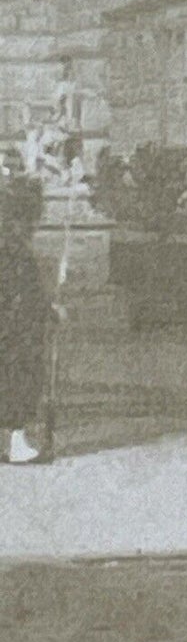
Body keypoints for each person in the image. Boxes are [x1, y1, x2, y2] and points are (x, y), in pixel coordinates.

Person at [0, 175, 49, 464]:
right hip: (14, 327)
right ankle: (17, 443)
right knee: (19, 374)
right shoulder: (14, 248)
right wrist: (49, 309)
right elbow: (25, 293)